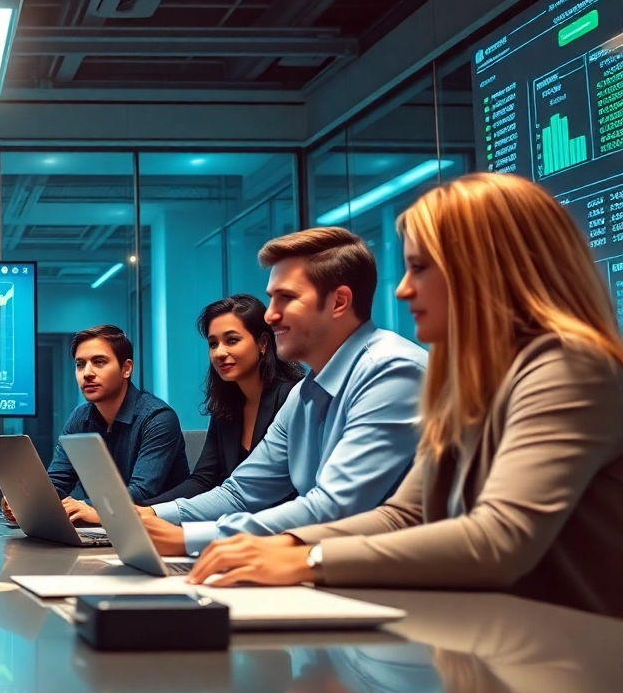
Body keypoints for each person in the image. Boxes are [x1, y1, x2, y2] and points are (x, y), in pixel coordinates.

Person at [185, 173, 623, 619]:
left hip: (576, 656)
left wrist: (309, 560)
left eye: (421, 268)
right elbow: (405, 515)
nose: (402, 289)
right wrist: (285, 545)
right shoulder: (465, 384)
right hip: (501, 639)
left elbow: (498, 539)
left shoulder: (569, 366)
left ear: (487, 269)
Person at [140, 227, 427, 556]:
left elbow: (335, 506)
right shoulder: (304, 393)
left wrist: (192, 539)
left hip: (391, 582)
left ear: (339, 302)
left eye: (286, 298)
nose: (269, 314)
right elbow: (241, 492)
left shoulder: (391, 371)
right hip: (330, 567)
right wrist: (151, 516)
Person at [65, 295, 302, 525]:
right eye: (212, 343)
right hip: (232, 529)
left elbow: (267, 493)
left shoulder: (293, 399)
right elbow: (203, 480)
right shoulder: (227, 409)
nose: (219, 352)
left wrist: (128, 515)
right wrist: (142, 513)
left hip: (286, 533)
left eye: (232, 340)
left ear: (262, 344)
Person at [0, 325, 187, 524]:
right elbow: (58, 480)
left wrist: (86, 507)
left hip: (158, 531)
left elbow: (141, 492)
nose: (87, 373)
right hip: (103, 530)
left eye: (99, 362)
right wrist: (27, 501)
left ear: (126, 368)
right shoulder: (80, 418)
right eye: (80, 364)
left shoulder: (158, 418)